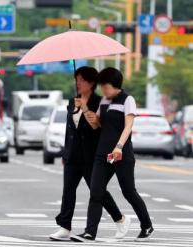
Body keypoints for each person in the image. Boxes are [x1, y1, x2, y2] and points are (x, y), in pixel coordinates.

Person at [70, 67, 153, 243]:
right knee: (96, 191)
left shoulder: (127, 99)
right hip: (102, 153)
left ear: (116, 86)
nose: (104, 91)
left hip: (121, 153)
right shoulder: (105, 101)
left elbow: (128, 126)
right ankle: (89, 233)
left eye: (106, 87)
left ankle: (146, 225)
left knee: (128, 192)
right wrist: (85, 109)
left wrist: (119, 147)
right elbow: (97, 125)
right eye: (102, 88)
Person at [49, 67, 130, 241]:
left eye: (81, 80)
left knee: (98, 191)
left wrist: (85, 109)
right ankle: (64, 226)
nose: (77, 83)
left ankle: (120, 218)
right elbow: (69, 130)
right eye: (76, 79)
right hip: (73, 154)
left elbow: (99, 128)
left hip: (91, 154)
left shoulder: (101, 101)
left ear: (92, 83)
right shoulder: (73, 101)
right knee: (68, 190)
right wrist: (65, 152)